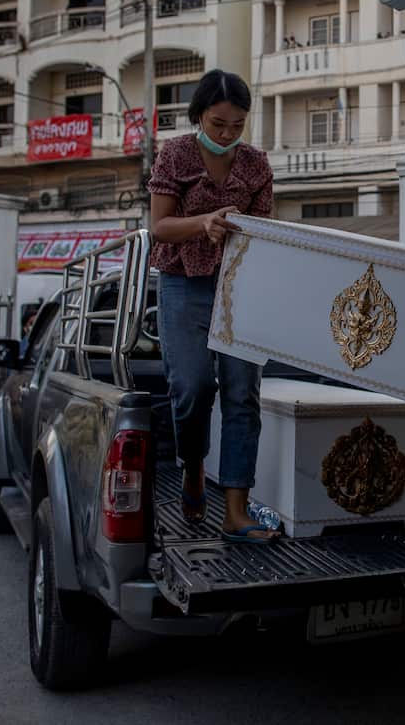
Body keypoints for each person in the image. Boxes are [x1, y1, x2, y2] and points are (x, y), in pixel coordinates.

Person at [148, 69, 279, 544]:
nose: (227, 134)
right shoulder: (175, 153)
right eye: (218, 123)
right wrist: (204, 222)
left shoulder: (257, 164)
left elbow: (264, 229)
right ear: (199, 115)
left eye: (237, 125)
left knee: (243, 393)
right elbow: (160, 227)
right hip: (183, 283)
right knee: (193, 387)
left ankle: (236, 512)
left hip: (241, 286)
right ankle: (193, 467)